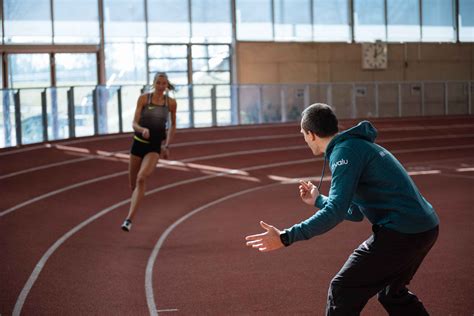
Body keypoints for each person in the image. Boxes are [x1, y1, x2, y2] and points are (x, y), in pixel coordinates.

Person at [245, 103, 439, 315]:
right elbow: (354, 212)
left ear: (311, 134)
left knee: (343, 289)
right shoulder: (353, 147)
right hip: (424, 228)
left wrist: (285, 237)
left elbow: (336, 212)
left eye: (302, 133)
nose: (303, 138)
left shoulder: (344, 152)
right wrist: (319, 201)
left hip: (403, 232)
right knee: (392, 292)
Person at [121, 72, 177, 232]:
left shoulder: (171, 103)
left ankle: (129, 219)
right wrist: (142, 129)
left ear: (167, 86)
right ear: (154, 84)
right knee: (133, 185)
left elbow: (173, 126)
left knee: (141, 178)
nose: (161, 86)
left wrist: (166, 145)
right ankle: (135, 203)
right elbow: (134, 123)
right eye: (158, 83)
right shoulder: (144, 99)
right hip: (138, 144)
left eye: (163, 84)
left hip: (154, 147)